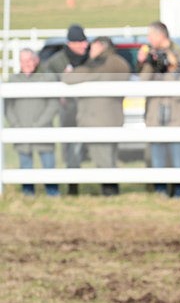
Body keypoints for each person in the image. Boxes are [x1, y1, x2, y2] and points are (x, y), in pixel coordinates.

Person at [63, 37, 131, 196]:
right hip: (109, 118)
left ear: (100, 46)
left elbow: (70, 78)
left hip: (97, 119)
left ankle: (109, 193)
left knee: (103, 159)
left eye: (92, 47)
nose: (89, 50)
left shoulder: (100, 64)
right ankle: (109, 191)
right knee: (108, 158)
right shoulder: (119, 63)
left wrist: (78, 69)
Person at [137, 21, 180, 197]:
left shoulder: (179, 54)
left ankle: (179, 191)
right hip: (155, 112)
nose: (148, 39)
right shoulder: (151, 57)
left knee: (178, 154)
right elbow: (143, 81)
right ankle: (159, 191)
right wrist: (146, 62)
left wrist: (171, 67)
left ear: (160, 35)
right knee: (157, 152)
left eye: (150, 35)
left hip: (175, 112)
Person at [40, 23, 90, 195]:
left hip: (90, 110)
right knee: (72, 150)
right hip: (69, 111)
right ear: (71, 43)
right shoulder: (57, 61)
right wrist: (58, 91)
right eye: (81, 42)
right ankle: (73, 188)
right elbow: (46, 80)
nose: (85, 45)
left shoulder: (89, 58)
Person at [4, 49, 60, 196]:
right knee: (25, 164)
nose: (26, 64)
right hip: (21, 128)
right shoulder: (14, 80)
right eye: (23, 61)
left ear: (36, 60)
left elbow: (53, 104)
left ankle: (52, 193)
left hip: (43, 128)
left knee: (48, 164)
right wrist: (16, 124)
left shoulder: (46, 78)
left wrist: (40, 124)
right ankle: (28, 194)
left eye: (29, 60)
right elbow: (8, 106)